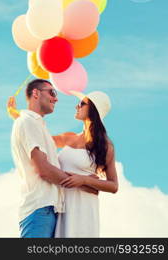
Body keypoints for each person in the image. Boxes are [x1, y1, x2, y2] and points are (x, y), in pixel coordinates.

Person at [8, 87, 118, 238]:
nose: (77, 106)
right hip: (62, 203)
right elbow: (39, 136)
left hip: (83, 205)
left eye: (81, 103)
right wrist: (17, 115)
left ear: (93, 110)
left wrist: (83, 180)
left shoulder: (105, 146)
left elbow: (113, 185)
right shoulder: (69, 137)